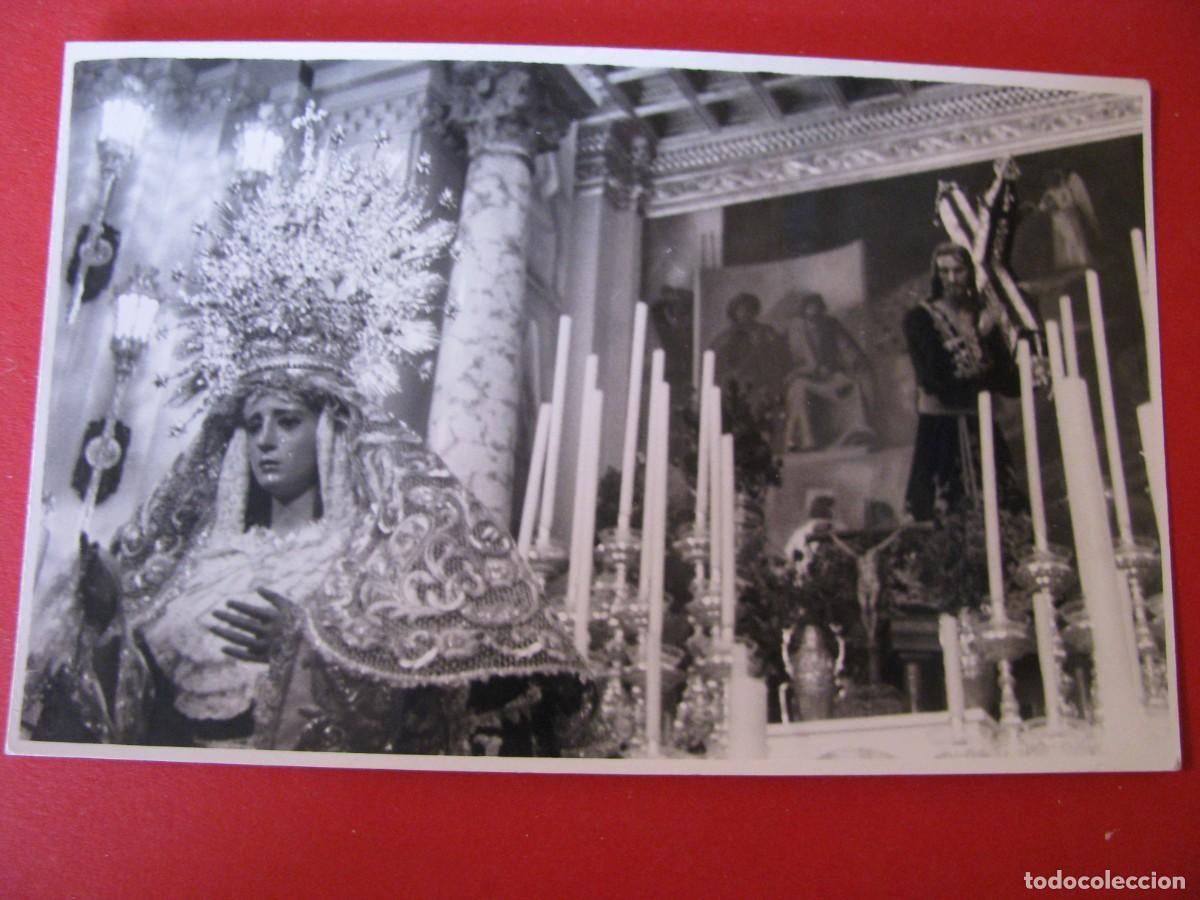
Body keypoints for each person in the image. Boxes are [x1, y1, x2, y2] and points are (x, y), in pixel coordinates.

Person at [24, 107, 589, 756]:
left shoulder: (369, 558)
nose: (264, 439)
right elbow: (133, 710)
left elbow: (433, 707)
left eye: (287, 421)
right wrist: (105, 621)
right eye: (253, 423)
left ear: (331, 434)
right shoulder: (200, 560)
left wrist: (309, 649)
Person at [902, 243, 1021, 521]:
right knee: (942, 510)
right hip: (940, 426)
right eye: (944, 271)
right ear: (935, 274)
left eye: (958, 270)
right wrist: (978, 339)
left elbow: (1007, 382)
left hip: (982, 423)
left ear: (969, 272)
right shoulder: (920, 319)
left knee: (1002, 506)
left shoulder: (984, 314)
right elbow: (935, 379)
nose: (951, 279)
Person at [780, 292, 875, 452]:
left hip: (830, 375)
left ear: (821, 307)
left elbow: (844, 346)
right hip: (804, 376)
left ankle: (857, 431)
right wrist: (802, 371)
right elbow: (790, 357)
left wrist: (855, 360)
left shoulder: (830, 324)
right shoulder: (795, 328)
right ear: (804, 309)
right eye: (810, 306)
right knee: (798, 391)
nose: (813, 310)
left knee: (853, 386)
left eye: (816, 306)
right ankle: (806, 440)